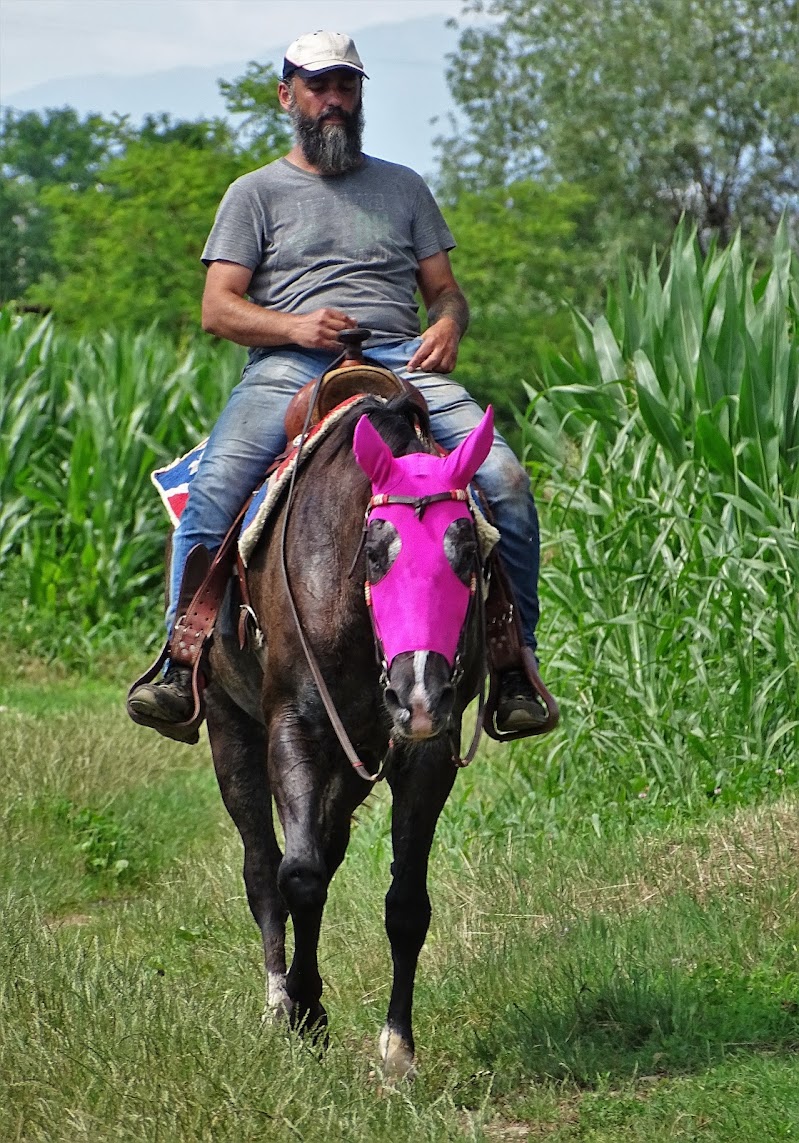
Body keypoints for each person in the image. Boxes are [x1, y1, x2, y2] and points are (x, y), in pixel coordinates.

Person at [129, 29, 546, 733]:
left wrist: (447, 325)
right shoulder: (253, 193)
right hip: (291, 363)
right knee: (215, 488)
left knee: (504, 480)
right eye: (318, 87)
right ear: (286, 95)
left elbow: (445, 292)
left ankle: (513, 665)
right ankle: (183, 657)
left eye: (345, 87)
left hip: (400, 357)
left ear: (358, 97)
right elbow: (217, 308)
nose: (332, 101)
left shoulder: (404, 186)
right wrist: (295, 328)